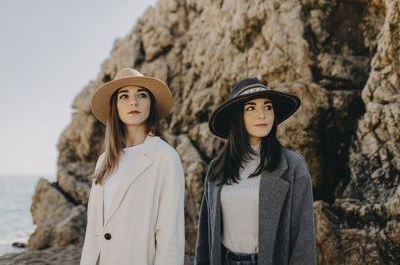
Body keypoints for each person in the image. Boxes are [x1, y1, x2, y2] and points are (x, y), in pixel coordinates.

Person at [195, 78, 316, 264]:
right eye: (251, 108)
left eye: (268, 107)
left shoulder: (293, 166)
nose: (262, 115)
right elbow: (205, 238)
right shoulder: (217, 169)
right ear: (237, 117)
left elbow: (303, 240)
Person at [80, 68, 185, 265]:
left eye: (141, 95)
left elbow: (170, 236)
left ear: (150, 104)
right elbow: (94, 230)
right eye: (124, 96)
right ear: (115, 106)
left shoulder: (165, 158)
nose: (133, 102)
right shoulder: (104, 161)